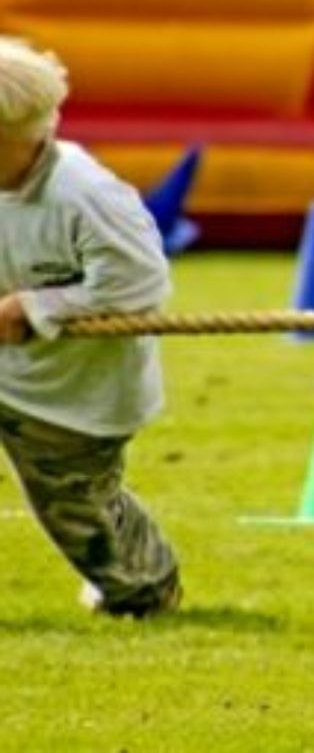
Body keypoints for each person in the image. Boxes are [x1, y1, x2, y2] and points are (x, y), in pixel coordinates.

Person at [0, 38, 180, 618]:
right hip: (13, 370)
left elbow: (139, 285)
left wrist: (33, 308)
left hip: (70, 391)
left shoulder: (86, 195)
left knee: (77, 509)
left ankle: (146, 586)